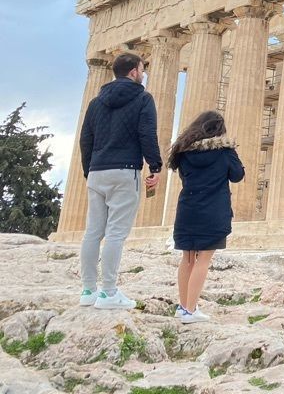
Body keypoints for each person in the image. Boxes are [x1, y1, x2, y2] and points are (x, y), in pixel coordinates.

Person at [78, 53, 162, 310]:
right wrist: (155, 166)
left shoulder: (95, 102)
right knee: (115, 233)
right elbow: (146, 133)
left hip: (97, 171)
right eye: (142, 69)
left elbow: (85, 140)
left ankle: (88, 290)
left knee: (93, 232)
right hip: (125, 171)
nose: (144, 73)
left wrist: (89, 171)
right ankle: (109, 293)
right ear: (134, 72)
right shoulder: (142, 98)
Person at [168, 110, 245, 323]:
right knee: (203, 260)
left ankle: (184, 306)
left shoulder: (183, 153)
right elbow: (237, 175)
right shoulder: (224, 151)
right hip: (214, 211)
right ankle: (191, 311)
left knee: (188, 258)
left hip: (188, 209)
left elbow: (184, 175)